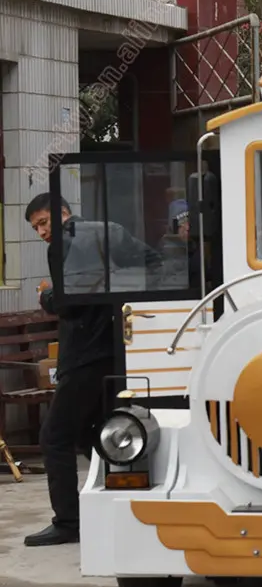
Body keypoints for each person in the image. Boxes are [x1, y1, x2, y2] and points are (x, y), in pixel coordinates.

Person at [23, 193, 161, 547]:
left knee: (54, 437)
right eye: (36, 227)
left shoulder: (63, 245)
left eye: (43, 222)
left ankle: (68, 522)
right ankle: (117, 503)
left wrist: (46, 296)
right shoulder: (112, 231)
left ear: (62, 212)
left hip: (83, 355)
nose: (41, 232)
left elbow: (69, 307)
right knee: (96, 433)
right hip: (118, 354)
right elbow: (154, 262)